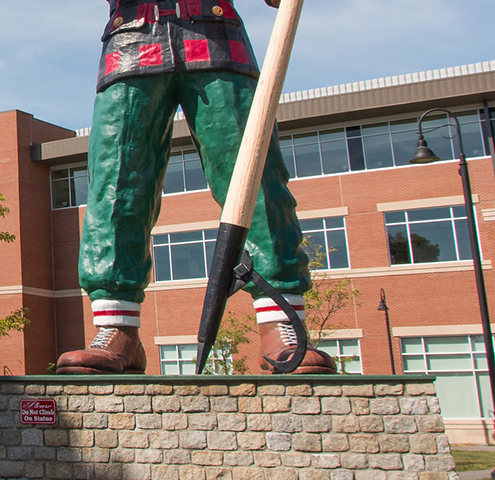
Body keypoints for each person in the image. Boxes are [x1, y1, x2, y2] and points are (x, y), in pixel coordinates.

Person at [56, 0, 335, 374]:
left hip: (217, 36)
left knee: (255, 176)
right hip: (131, 42)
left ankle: (280, 321)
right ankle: (116, 327)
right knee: (116, 184)